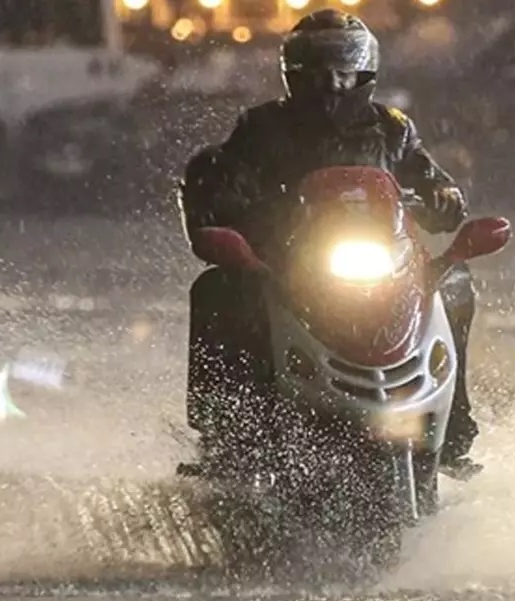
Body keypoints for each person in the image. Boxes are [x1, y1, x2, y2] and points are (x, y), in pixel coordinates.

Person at [177, 8, 482, 480]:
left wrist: (444, 196)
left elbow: (429, 178)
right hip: (289, 264)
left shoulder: (393, 129)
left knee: (456, 281)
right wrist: (232, 203)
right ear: (293, 72)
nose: (332, 82)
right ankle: (227, 437)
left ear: (367, 71)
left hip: (383, 263)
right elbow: (224, 185)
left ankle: (454, 428)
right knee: (219, 290)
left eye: (345, 69)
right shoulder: (259, 128)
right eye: (318, 69)